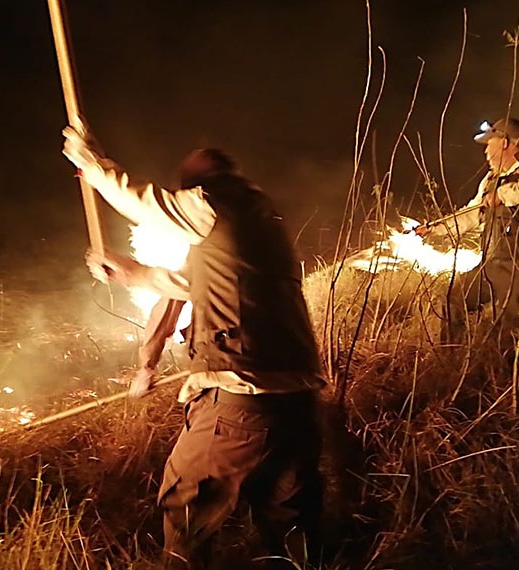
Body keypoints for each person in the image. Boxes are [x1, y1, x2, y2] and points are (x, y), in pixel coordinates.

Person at [63, 128, 326, 569]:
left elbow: (147, 206)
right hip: (297, 401)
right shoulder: (258, 220)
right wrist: (133, 274)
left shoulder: (212, 201)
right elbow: (185, 284)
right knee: (290, 521)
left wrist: (93, 165)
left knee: (185, 503)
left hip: (242, 399)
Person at [414, 117, 519, 345]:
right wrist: (435, 229)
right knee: (455, 297)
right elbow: (472, 214)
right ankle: (452, 358)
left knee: (513, 333)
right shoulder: (490, 180)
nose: (485, 153)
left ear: (505, 143)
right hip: (492, 264)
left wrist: (500, 196)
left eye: (489, 145)